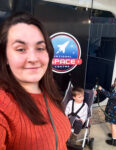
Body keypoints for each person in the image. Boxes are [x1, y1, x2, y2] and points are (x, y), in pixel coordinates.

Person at [0, 12, 71, 150]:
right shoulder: (3, 106)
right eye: (21, 49)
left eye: (40, 48)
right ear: (5, 57)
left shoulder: (48, 91)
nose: (33, 58)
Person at [98, 73, 116, 146]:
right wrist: (113, 86)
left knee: (113, 126)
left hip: (114, 113)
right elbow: (112, 92)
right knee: (115, 125)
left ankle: (113, 141)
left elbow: (110, 95)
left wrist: (102, 89)